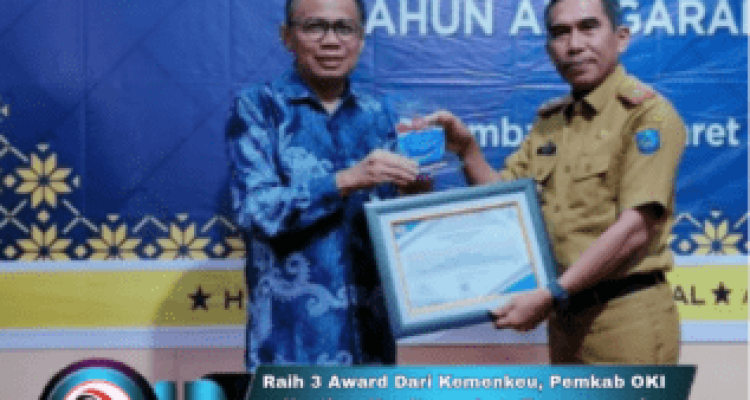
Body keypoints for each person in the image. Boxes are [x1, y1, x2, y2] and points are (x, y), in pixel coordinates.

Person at [424, 0, 686, 364]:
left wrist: (551, 294)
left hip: (625, 320)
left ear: (621, 38)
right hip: (565, 320)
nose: (574, 44)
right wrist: (467, 150)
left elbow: (635, 230)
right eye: (560, 33)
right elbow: (501, 206)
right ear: (549, 49)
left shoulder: (647, 116)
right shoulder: (551, 123)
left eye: (588, 27)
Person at [226, 0, 419, 372]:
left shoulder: (379, 115)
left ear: (361, 39)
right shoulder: (258, 108)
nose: (331, 40)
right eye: (314, 26)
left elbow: (397, 225)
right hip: (291, 344)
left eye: (344, 28)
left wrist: (418, 190)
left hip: (371, 344)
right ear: (287, 37)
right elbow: (256, 211)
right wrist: (345, 180)